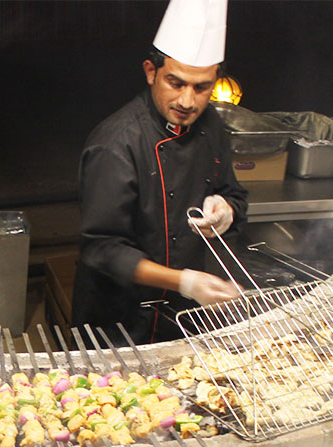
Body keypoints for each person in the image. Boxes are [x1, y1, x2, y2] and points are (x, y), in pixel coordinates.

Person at [72, 0, 247, 345]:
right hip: (121, 321)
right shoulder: (116, 144)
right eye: (175, 82)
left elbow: (235, 194)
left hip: (189, 315)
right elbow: (103, 250)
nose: (187, 101)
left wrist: (226, 209)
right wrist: (183, 281)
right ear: (151, 71)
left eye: (201, 88)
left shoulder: (211, 125)